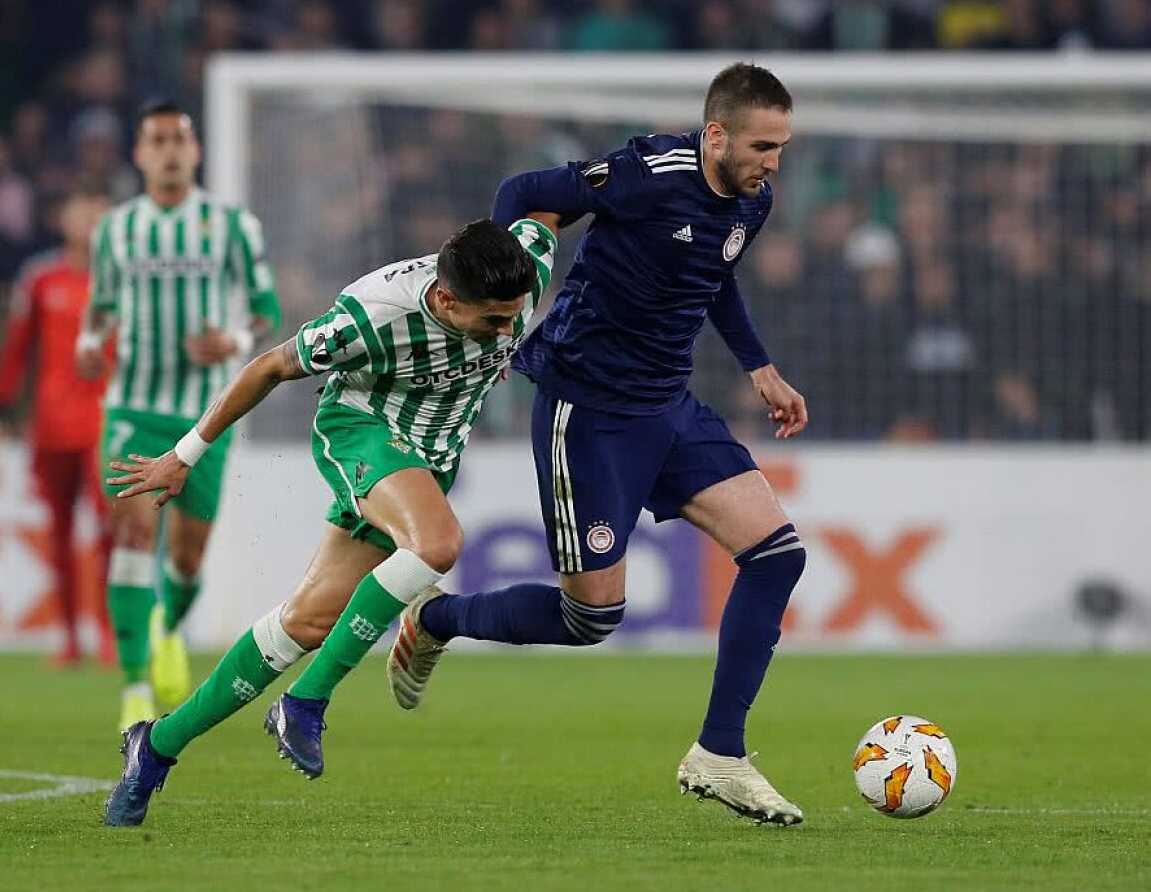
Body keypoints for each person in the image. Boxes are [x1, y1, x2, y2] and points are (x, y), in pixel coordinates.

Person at [386, 63, 808, 826]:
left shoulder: (755, 199)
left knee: (779, 553)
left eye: (780, 146)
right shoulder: (647, 172)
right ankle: (435, 620)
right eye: (762, 145)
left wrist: (760, 367)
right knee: (592, 620)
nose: (773, 162)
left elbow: (717, 274)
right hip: (586, 410)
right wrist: (502, 295)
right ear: (716, 135)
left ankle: (720, 752)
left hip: (667, 407)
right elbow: (524, 191)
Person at [101, 216, 557, 827]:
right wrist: (185, 455)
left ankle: (155, 745)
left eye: (514, 316)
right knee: (439, 542)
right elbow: (268, 367)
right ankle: (307, 701)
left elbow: (547, 205)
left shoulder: (524, 265)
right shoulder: (370, 319)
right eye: (494, 321)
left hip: (430, 459)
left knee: (307, 622)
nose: (506, 331)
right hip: (361, 433)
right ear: (447, 300)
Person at [76, 100, 282, 731]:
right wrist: (87, 344)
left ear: (195, 152)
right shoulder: (116, 229)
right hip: (135, 405)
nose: (168, 150)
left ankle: (166, 621)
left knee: (188, 561)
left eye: (179, 139)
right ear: (139, 155)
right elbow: (101, 308)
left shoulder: (232, 226)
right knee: (134, 537)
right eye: (156, 140)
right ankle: (135, 688)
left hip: (206, 415)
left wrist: (237, 344)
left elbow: (264, 309)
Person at [0, 190, 115, 666]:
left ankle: (106, 633)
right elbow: (18, 348)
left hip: (105, 424)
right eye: (82, 211)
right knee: (59, 530)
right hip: (53, 424)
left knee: (108, 529)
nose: (89, 221)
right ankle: (67, 637)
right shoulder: (41, 279)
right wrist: (0, 408)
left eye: (99, 214)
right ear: (63, 219)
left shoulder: (125, 286)